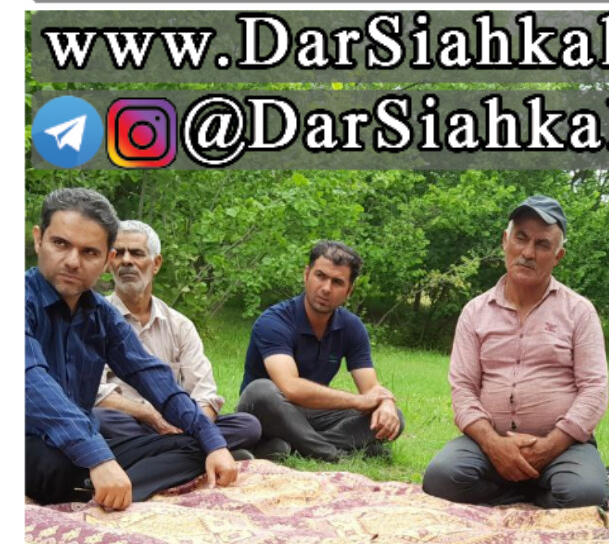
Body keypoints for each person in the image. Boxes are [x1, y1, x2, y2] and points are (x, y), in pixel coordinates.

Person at [27, 187, 240, 508]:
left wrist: (213, 443)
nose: (72, 261)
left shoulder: (101, 316)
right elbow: (30, 381)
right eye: (60, 244)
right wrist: (97, 457)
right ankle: (95, 484)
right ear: (38, 239)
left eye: (89, 252)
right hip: (27, 441)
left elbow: (154, 378)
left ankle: (97, 491)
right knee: (55, 462)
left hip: (79, 446)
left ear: (106, 259)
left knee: (198, 444)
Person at [421, 196, 609, 510]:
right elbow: (464, 389)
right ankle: (527, 497)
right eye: (521, 238)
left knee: (585, 495)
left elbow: (595, 390)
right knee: (441, 477)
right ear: (505, 241)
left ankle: (532, 489)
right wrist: (493, 444)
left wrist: (550, 446)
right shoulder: (475, 312)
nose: (527, 253)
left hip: (562, 446)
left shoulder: (579, 312)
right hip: (488, 443)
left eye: (542, 244)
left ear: (558, 256)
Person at [99, 219, 261, 455]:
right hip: (126, 422)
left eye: (136, 253)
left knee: (248, 425)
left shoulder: (179, 325)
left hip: (178, 423)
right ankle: (194, 456)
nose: (126, 261)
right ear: (108, 263)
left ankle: (168, 455)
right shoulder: (94, 319)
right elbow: (94, 394)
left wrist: (195, 427)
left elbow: (204, 393)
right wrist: (148, 414)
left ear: (156, 264)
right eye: (118, 254)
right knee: (99, 420)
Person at [234, 243, 407, 461]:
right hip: (268, 413)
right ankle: (334, 454)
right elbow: (291, 387)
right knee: (260, 390)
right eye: (320, 276)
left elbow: (371, 388)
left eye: (337, 282)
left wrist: (386, 403)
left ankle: (293, 448)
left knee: (394, 418)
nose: (326, 288)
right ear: (306, 275)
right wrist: (357, 401)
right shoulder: (274, 321)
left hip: (313, 414)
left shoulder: (352, 327)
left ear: (349, 290)